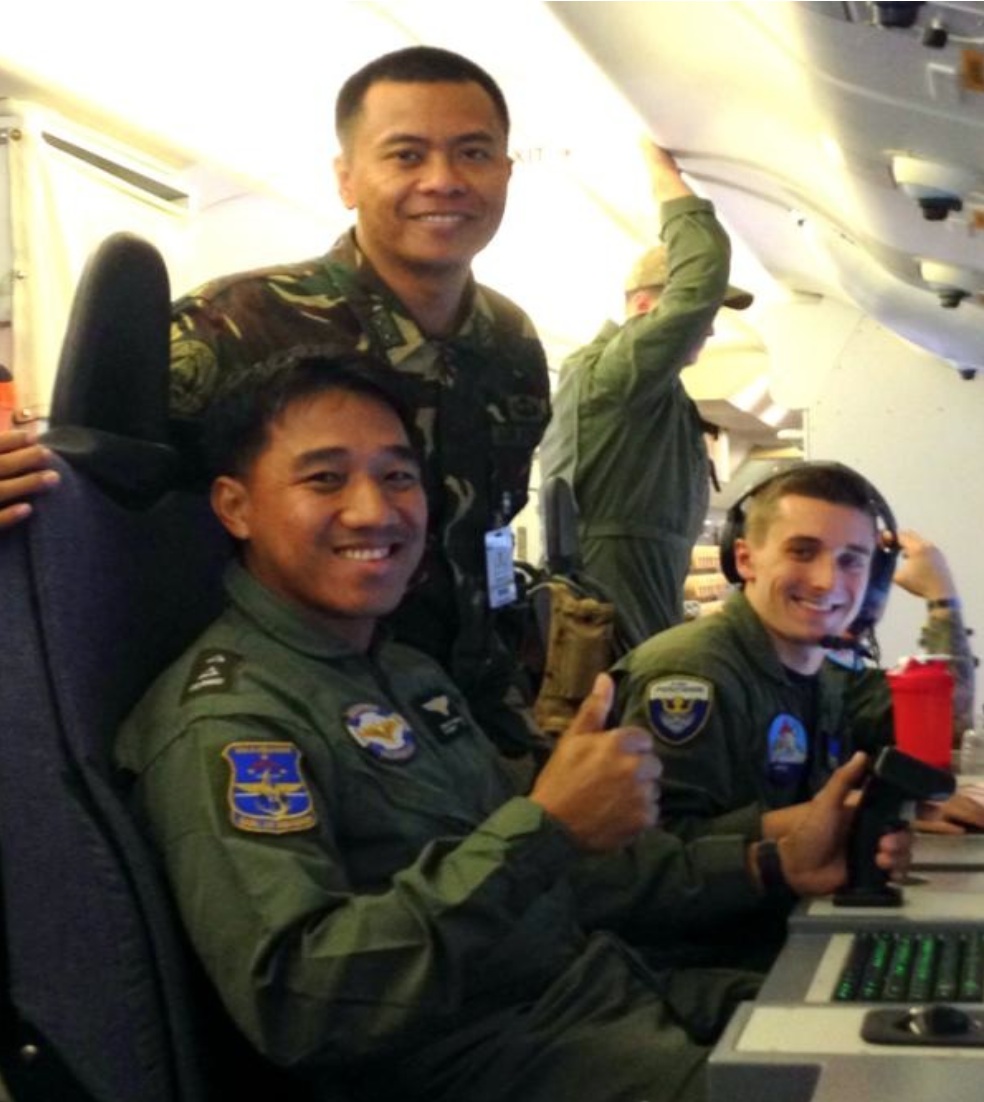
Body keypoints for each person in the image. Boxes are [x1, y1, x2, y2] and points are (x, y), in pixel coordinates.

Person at [116, 355, 909, 1102]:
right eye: (325, 478)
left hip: (601, 994)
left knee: (899, 1021)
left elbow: (566, 875)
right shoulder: (232, 721)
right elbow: (301, 1003)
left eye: (398, 476)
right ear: (236, 506)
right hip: (487, 1061)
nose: (375, 510)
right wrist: (544, 830)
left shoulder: (408, 676)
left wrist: (770, 859)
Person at [0, 45, 551, 759]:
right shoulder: (232, 326)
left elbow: (489, 538)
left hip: (466, 716)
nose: (443, 181)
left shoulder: (511, 345)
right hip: (293, 725)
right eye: (406, 155)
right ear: (346, 178)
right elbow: (94, 513)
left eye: (473, 153)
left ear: (505, 171)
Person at [612, 461, 983, 846]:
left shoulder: (824, 672)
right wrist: (848, 813)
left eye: (851, 560)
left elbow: (947, 717)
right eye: (802, 552)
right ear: (745, 560)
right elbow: (655, 848)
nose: (827, 581)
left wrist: (943, 600)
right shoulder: (691, 674)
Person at [537, 142, 753, 649]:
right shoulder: (616, 374)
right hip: (610, 603)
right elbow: (699, 278)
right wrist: (666, 180)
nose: (709, 330)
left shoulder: (654, 393)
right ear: (641, 307)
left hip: (638, 596)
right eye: (704, 317)